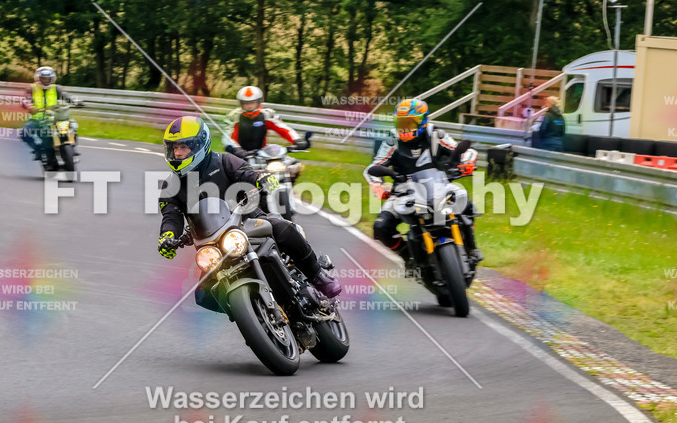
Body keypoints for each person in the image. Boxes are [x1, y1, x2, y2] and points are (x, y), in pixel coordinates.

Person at [156, 116, 341, 298]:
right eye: (174, 148)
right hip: (212, 244)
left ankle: (318, 276)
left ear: (199, 145)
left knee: (282, 228)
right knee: (204, 296)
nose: (177, 153)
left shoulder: (224, 161)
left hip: (247, 221)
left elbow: (246, 173)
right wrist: (167, 236)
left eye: (183, 147)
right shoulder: (170, 186)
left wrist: (261, 180)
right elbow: (171, 216)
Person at [363, 98, 483, 266]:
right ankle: (408, 257)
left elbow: (465, 151)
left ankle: (471, 248)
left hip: (439, 186)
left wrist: (467, 162)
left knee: (466, 204)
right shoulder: (392, 141)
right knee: (381, 227)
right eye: (401, 123)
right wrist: (378, 185)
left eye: (410, 123)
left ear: (423, 122)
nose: (405, 128)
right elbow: (373, 168)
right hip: (404, 193)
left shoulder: (436, 135)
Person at [224, 85, 307, 158]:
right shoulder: (235, 116)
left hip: (262, 154)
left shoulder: (267, 114)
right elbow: (228, 135)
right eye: (245, 103)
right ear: (241, 103)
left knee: (290, 164)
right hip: (240, 154)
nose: (249, 106)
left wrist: (297, 140)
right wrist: (236, 149)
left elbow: (283, 129)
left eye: (252, 102)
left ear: (259, 102)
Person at [19, 66, 79, 160]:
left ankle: (71, 147)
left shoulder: (56, 88)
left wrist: (75, 101)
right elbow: (25, 100)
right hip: (37, 119)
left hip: (55, 117)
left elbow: (66, 96)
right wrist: (29, 106)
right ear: (38, 78)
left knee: (72, 126)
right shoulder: (31, 88)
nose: (45, 80)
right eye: (43, 78)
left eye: (47, 78)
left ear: (52, 78)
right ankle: (38, 150)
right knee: (24, 133)